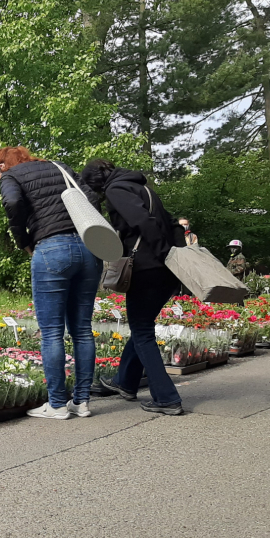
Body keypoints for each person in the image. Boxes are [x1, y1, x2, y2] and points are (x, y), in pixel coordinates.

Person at [0, 146, 101, 420]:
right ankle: (82, 402)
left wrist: (24, 241)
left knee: (52, 331)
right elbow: (91, 197)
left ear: (2, 166)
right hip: (88, 249)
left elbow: (13, 203)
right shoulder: (60, 167)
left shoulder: (11, 176)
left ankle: (56, 404)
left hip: (51, 248)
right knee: (82, 330)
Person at [82, 159, 187, 415]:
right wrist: (176, 260)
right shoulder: (143, 188)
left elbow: (143, 222)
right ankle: (125, 382)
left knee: (142, 332)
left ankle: (167, 398)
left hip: (147, 269)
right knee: (142, 327)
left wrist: (161, 254)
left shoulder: (116, 190)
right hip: (165, 270)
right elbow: (173, 225)